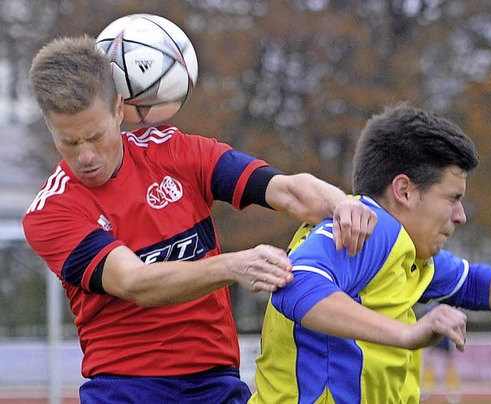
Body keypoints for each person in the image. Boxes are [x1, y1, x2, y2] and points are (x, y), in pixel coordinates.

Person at [21, 35, 377, 404]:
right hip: (125, 389)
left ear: (118, 109)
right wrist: (232, 266)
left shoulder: (176, 153)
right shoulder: (51, 210)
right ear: (51, 128)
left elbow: (286, 190)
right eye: (70, 143)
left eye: (96, 137)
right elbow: (134, 282)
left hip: (217, 384)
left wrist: (343, 204)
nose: (86, 157)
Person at [250, 104, 491, 404]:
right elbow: (294, 286)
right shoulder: (371, 229)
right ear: (404, 191)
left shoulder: (405, 252)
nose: (460, 216)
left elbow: (472, 283)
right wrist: (408, 333)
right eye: (452, 198)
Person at [417, 304, 461, 404]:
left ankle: (453, 390)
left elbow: (456, 321)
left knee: (449, 364)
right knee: (429, 362)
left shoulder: (449, 306)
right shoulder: (430, 306)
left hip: (446, 338)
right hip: (433, 338)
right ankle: (426, 389)